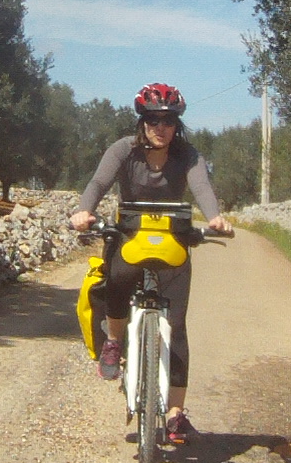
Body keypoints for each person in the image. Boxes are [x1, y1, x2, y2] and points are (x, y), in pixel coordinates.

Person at [69, 82, 231, 443]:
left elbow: (202, 187)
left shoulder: (187, 155)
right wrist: (84, 210)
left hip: (172, 239)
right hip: (130, 236)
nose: (162, 128)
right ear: (142, 121)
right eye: (155, 120)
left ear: (178, 125)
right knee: (117, 275)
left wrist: (215, 217)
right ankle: (114, 341)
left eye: (169, 122)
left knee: (177, 326)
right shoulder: (123, 150)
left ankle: (175, 414)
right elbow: (98, 182)